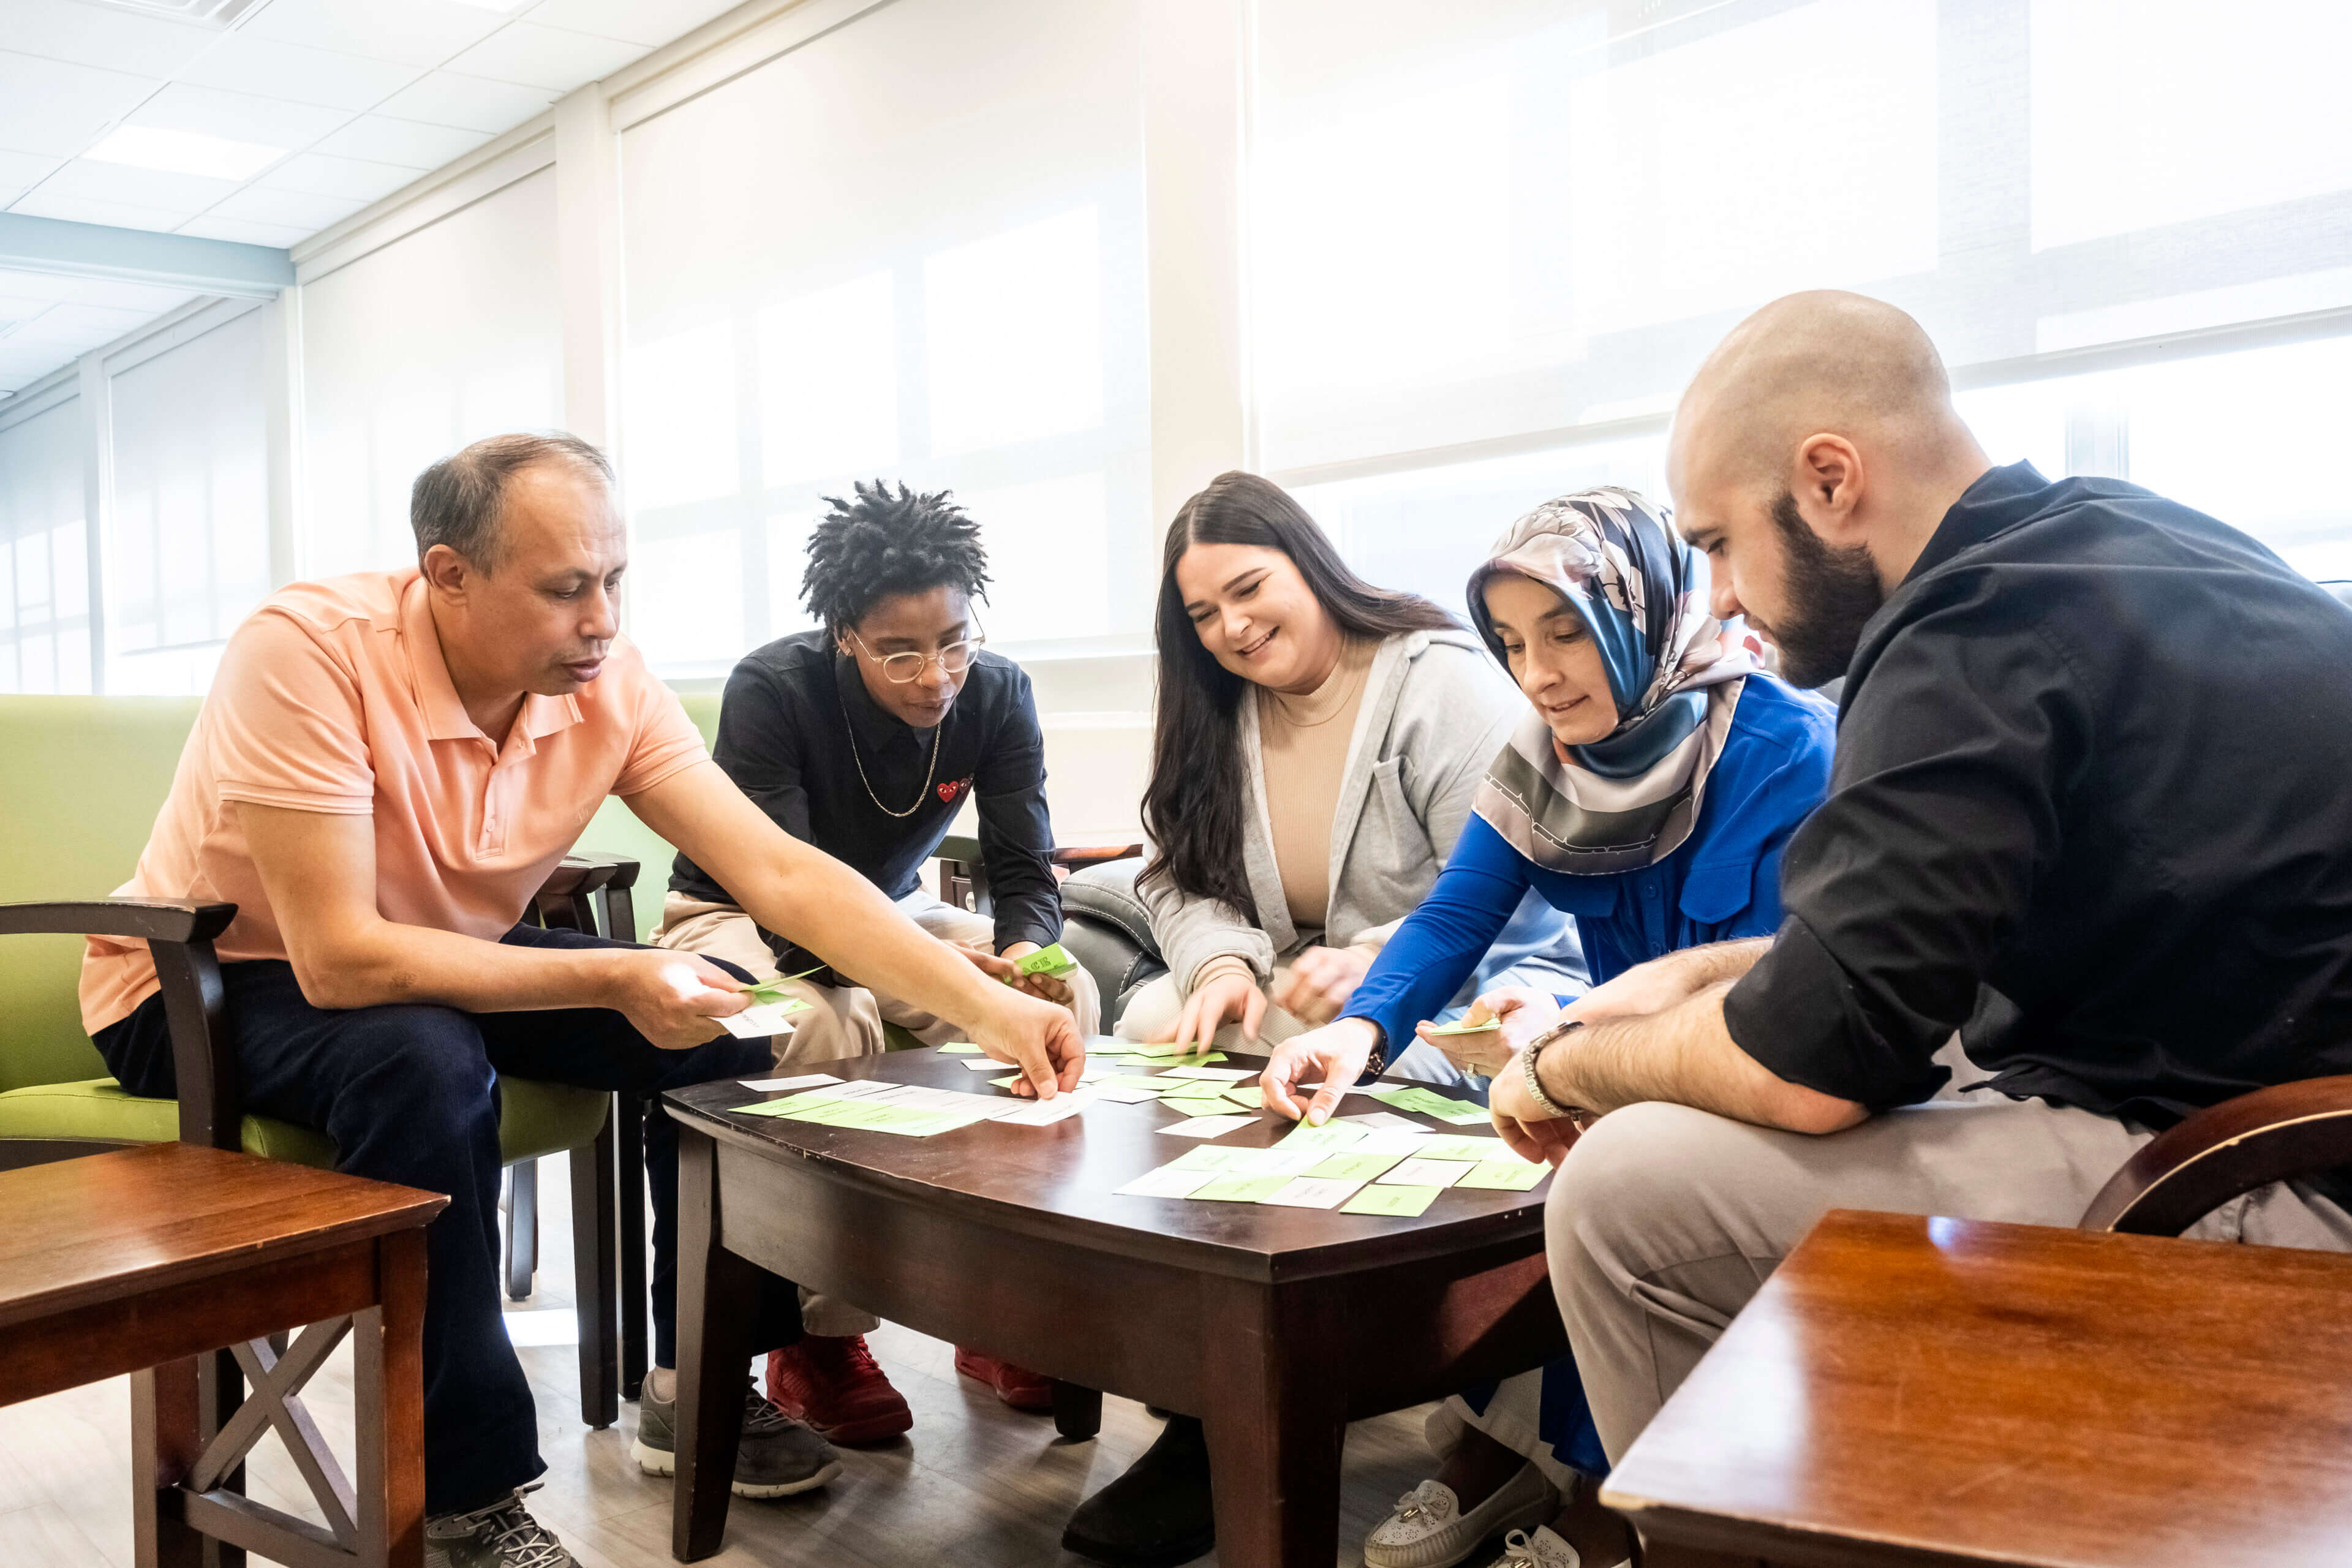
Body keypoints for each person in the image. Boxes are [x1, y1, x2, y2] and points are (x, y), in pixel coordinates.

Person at [79, 434, 1084, 1568]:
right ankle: (465, 1500)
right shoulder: (308, 650)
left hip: (438, 959)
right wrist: (611, 971)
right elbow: (340, 961)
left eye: (614, 581)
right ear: (448, 574)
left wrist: (994, 1010)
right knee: (423, 1060)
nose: (602, 620)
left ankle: (693, 1376)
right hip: (201, 980)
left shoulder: (609, 680)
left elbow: (785, 873)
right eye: (566, 589)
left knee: (730, 1014)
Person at [1471, 291, 2352, 1482]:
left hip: (2261, 1183)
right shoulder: (2132, 547)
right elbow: (1916, 946)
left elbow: (1817, 1062)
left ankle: (1737, 1543)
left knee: (1627, 1191)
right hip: (2246, 1091)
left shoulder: (1962, 634)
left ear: (1830, 479)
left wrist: (1558, 1067)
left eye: (1721, 541)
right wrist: (1690, 976)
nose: (1719, 594)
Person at [1260, 489, 1834, 1568]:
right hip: (1607, 1074)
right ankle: (1499, 1451)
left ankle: (1613, 1502)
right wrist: (1361, 1033)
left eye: (1567, 632)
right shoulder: (1541, 757)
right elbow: (1456, 916)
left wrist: (1572, 1043)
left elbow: (1778, 998)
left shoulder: (1784, 749)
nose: (1539, 674)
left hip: (1742, 1082)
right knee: (1498, 1150)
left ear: (1647, 613)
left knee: (1610, 1175)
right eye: (1514, 642)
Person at [1064, 471, 1586, 1568]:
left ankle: (1260, 1403)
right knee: (1164, 1017)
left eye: (1250, 590)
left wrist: (1378, 970)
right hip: (1289, 995)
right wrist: (1219, 961)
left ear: (1312, 564)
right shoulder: (1216, 706)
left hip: (1441, 1002)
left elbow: (1520, 895)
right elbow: (1173, 872)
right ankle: (1203, 1389)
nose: (1233, 630)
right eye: (1202, 616)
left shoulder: (1438, 685)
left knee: (1365, 1083)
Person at [652, 478, 1099, 1442]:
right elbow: (792, 914)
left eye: (955, 641)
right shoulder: (773, 689)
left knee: (1070, 992)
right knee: (828, 1019)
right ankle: (819, 1338)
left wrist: (1020, 958)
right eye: (901, 651)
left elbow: (1025, 864)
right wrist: (956, 988)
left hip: (890, 911)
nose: (936, 675)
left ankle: (1005, 1302)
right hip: (732, 912)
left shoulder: (998, 690)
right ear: (843, 636)